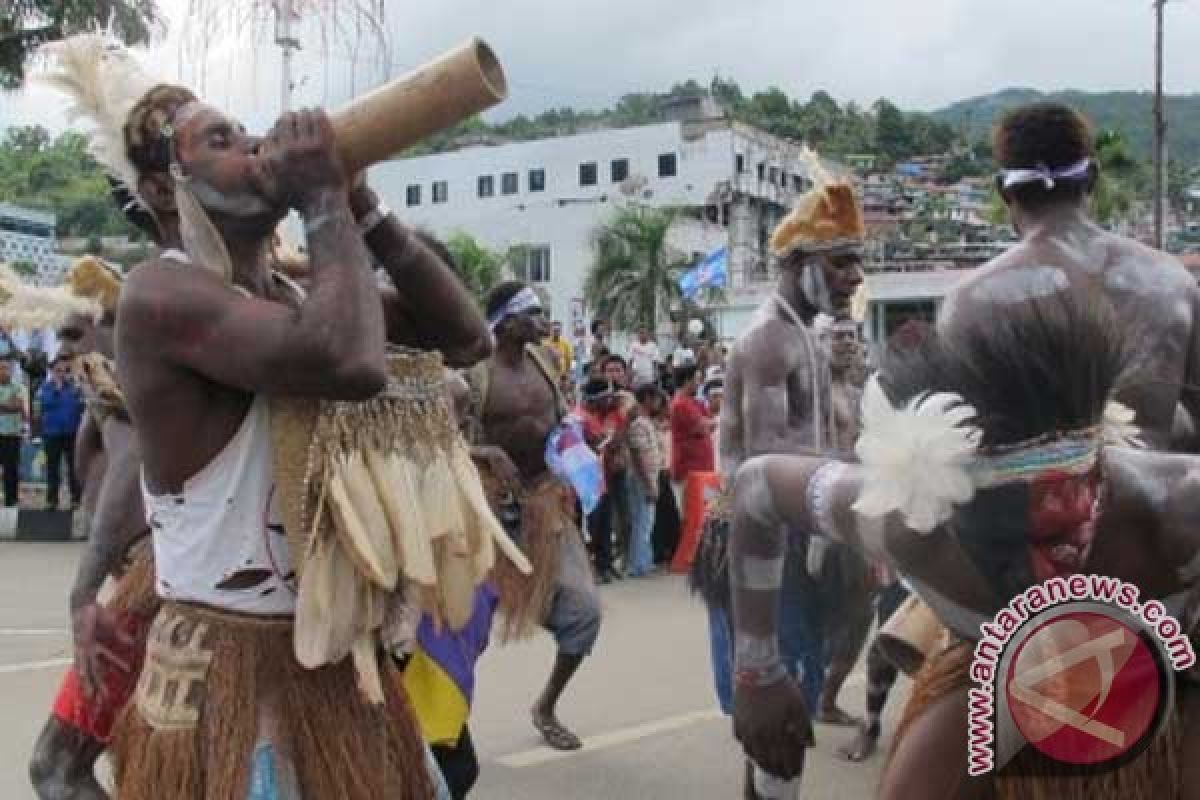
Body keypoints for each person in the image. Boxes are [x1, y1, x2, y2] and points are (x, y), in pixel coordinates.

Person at [45, 32, 490, 799]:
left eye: (247, 131)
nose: (254, 143)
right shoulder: (159, 293)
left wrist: (362, 203)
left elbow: (464, 337)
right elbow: (348, 364)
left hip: (332, 664)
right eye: (221, 140)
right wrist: (321, 201)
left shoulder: (294, 294)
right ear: (163, 190)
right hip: (228, 673)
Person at [728, 290, 1200, 799]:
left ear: (1101, 486)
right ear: (949, 515)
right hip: (987, 666)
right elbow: (757, 488)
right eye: (1002, 544)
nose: (1040, 577)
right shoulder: (904, 524)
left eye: (1062, 536)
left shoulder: (1176, 513)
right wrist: (758, 672)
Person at [709, 172, 865, 798]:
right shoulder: (770, 339)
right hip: (765, 542)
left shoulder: (810, 336)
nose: (855, 276)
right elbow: (769, 464)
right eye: (843, 261)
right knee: (778, 709)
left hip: (802, 535)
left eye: (857, 262)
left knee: (785, 704)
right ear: (800, 263)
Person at [943, 102, 1200, 449]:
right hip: (1152, 499)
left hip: (1036, 503)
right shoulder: (1173, 282)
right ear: (1091, 177)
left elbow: (962, 449)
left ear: (1004, 190)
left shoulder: (970, 303)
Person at [28, 258, 154, 800]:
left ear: (109, 326)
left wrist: (84, 590)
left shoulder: (121, 392)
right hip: (145, 591)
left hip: (148, 599)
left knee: (56, 767)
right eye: (60, 338)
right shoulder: (110, 396)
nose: (66, 351)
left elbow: (127, 471)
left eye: (76, 334)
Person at [464, 281, 602, 752]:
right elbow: (440, 441)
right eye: (534, 314)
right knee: (461, 625)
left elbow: (562, 420)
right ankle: (443, 729)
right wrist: (483, 451)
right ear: (506, 321)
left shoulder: (546, 363)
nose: (543, 322)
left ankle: (546, 706)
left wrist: (576, 449)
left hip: (544, 502)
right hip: (485, 507)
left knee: (584, 610)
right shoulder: (471, 373)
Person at [579, 377, 628, 583]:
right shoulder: (580, 418)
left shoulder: (599, 416)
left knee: (605, 524)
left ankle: (605, 564)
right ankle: (593, 568)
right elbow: (583, 448)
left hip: (602, 480)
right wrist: (601, 443)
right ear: (595, 399)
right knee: (593, 527)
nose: (609, 401)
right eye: (606, 397)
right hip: (587, 483)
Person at [625, 385, 665, 577]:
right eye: (656, 398)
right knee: (643, 521)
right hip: (642, 478)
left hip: (647, 476)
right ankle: (638, 564)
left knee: (645, 521)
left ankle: (643, 562)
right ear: (647, 398)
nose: (658, 403)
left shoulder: (645, 422)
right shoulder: (639, 424)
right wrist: (649, 483)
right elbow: (639, 455)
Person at [38, 356, 84, 510]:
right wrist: (56, 390)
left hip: (71, 433)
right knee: (53, 468)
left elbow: (80, 407)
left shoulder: (74, 388)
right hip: (52, 434)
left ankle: (75, 499)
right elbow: (45, 404)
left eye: (65, 370)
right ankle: (52, 500)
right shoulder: (46, 387)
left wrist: (80, 395)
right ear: (51, 371)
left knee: (73, 468)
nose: (62, 373)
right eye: (58, 370)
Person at [669, 364, 715, 505]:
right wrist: (708, 423)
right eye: (697, 379)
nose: (699, 383)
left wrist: (708, 423)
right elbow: (704, 427)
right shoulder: (681, 404)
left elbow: (710, 424)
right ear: (687, 380)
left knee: (707, 511)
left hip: (703, 469)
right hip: (690, 471)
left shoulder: (694, 402)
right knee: (694, 515)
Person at [0, 360, 26, 507]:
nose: (4, 371)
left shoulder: (17, 387)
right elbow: (10, 405)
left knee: (11, 469)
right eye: (1, 368)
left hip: (11, 434)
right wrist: (7, 404)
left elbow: (17, 406)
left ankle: (11, 500)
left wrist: (7, 406)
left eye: (6, 368)